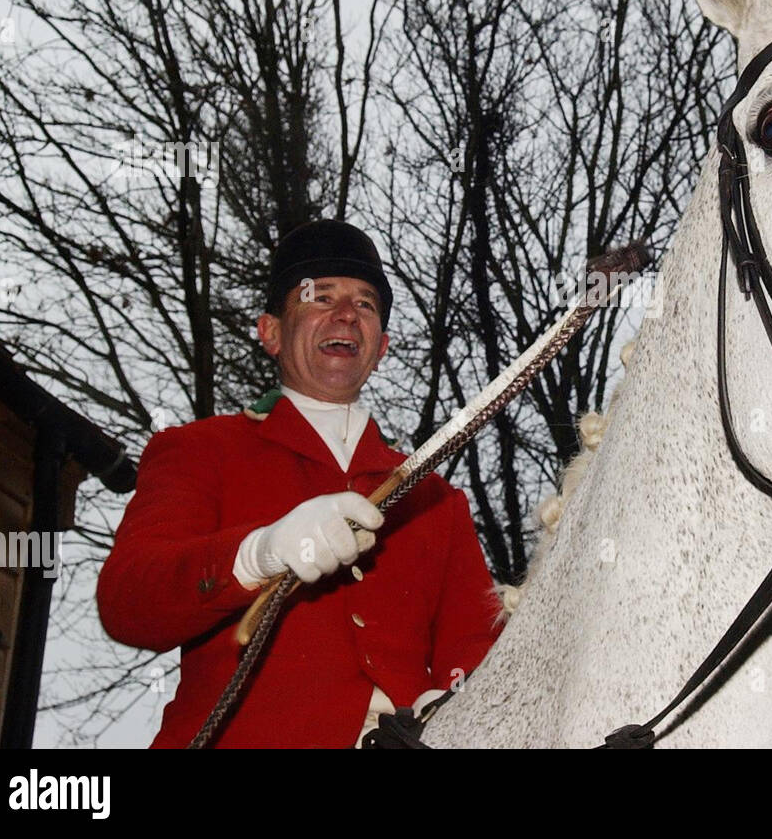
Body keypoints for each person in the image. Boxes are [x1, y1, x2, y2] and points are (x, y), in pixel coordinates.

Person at [97, 220, 501, 748]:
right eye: (319, 297)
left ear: (381, 348)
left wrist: (456, 706)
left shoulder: (435, 499)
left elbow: (477, 651)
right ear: (271, 332)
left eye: (366, 304)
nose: (345, 314)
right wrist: (256, 555)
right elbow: (128, 601)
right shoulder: (199, 450)